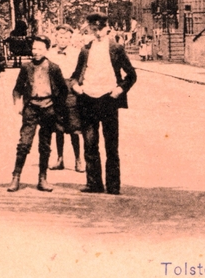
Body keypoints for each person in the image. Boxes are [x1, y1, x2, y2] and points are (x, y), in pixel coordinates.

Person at [71, 13, 137, 195]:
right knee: (90, 143)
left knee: (111, 145)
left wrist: (120, 89)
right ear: (91, 29)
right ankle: (94, 184)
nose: (98, 33)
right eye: (94, 29)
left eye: (100, 29)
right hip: (88, 99)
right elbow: (76, 75)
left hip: (108, 100)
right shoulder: (85, 49)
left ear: (107, 28)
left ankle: (113, 185)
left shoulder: (116, 48)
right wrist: (76, 86)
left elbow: (131, 75)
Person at [7, 36, 68, 193]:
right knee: (24, 144)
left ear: (46, 50)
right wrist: (17, 103)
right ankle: (16, 177)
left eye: (40, 49)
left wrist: (57, 109)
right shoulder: (26, 68)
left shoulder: (54, 68)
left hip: (48, 108)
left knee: (45, 145)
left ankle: (42, 179)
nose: (36, 52)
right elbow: (17, 89)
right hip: (31, 108)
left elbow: (63, 90)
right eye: (34, 48)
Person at [47, 24, 85, 173]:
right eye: (60, 37)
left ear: (70, 38)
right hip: (55, 91)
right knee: (58, 127)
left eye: (66, 37)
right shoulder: (50, 54)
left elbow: (82, 71)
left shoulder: (77, 53)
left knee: (74, 126)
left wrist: (77, 85)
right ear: (56, 37)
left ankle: (78, 160)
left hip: (71, 90)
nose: (63, 40)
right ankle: (60, 159)